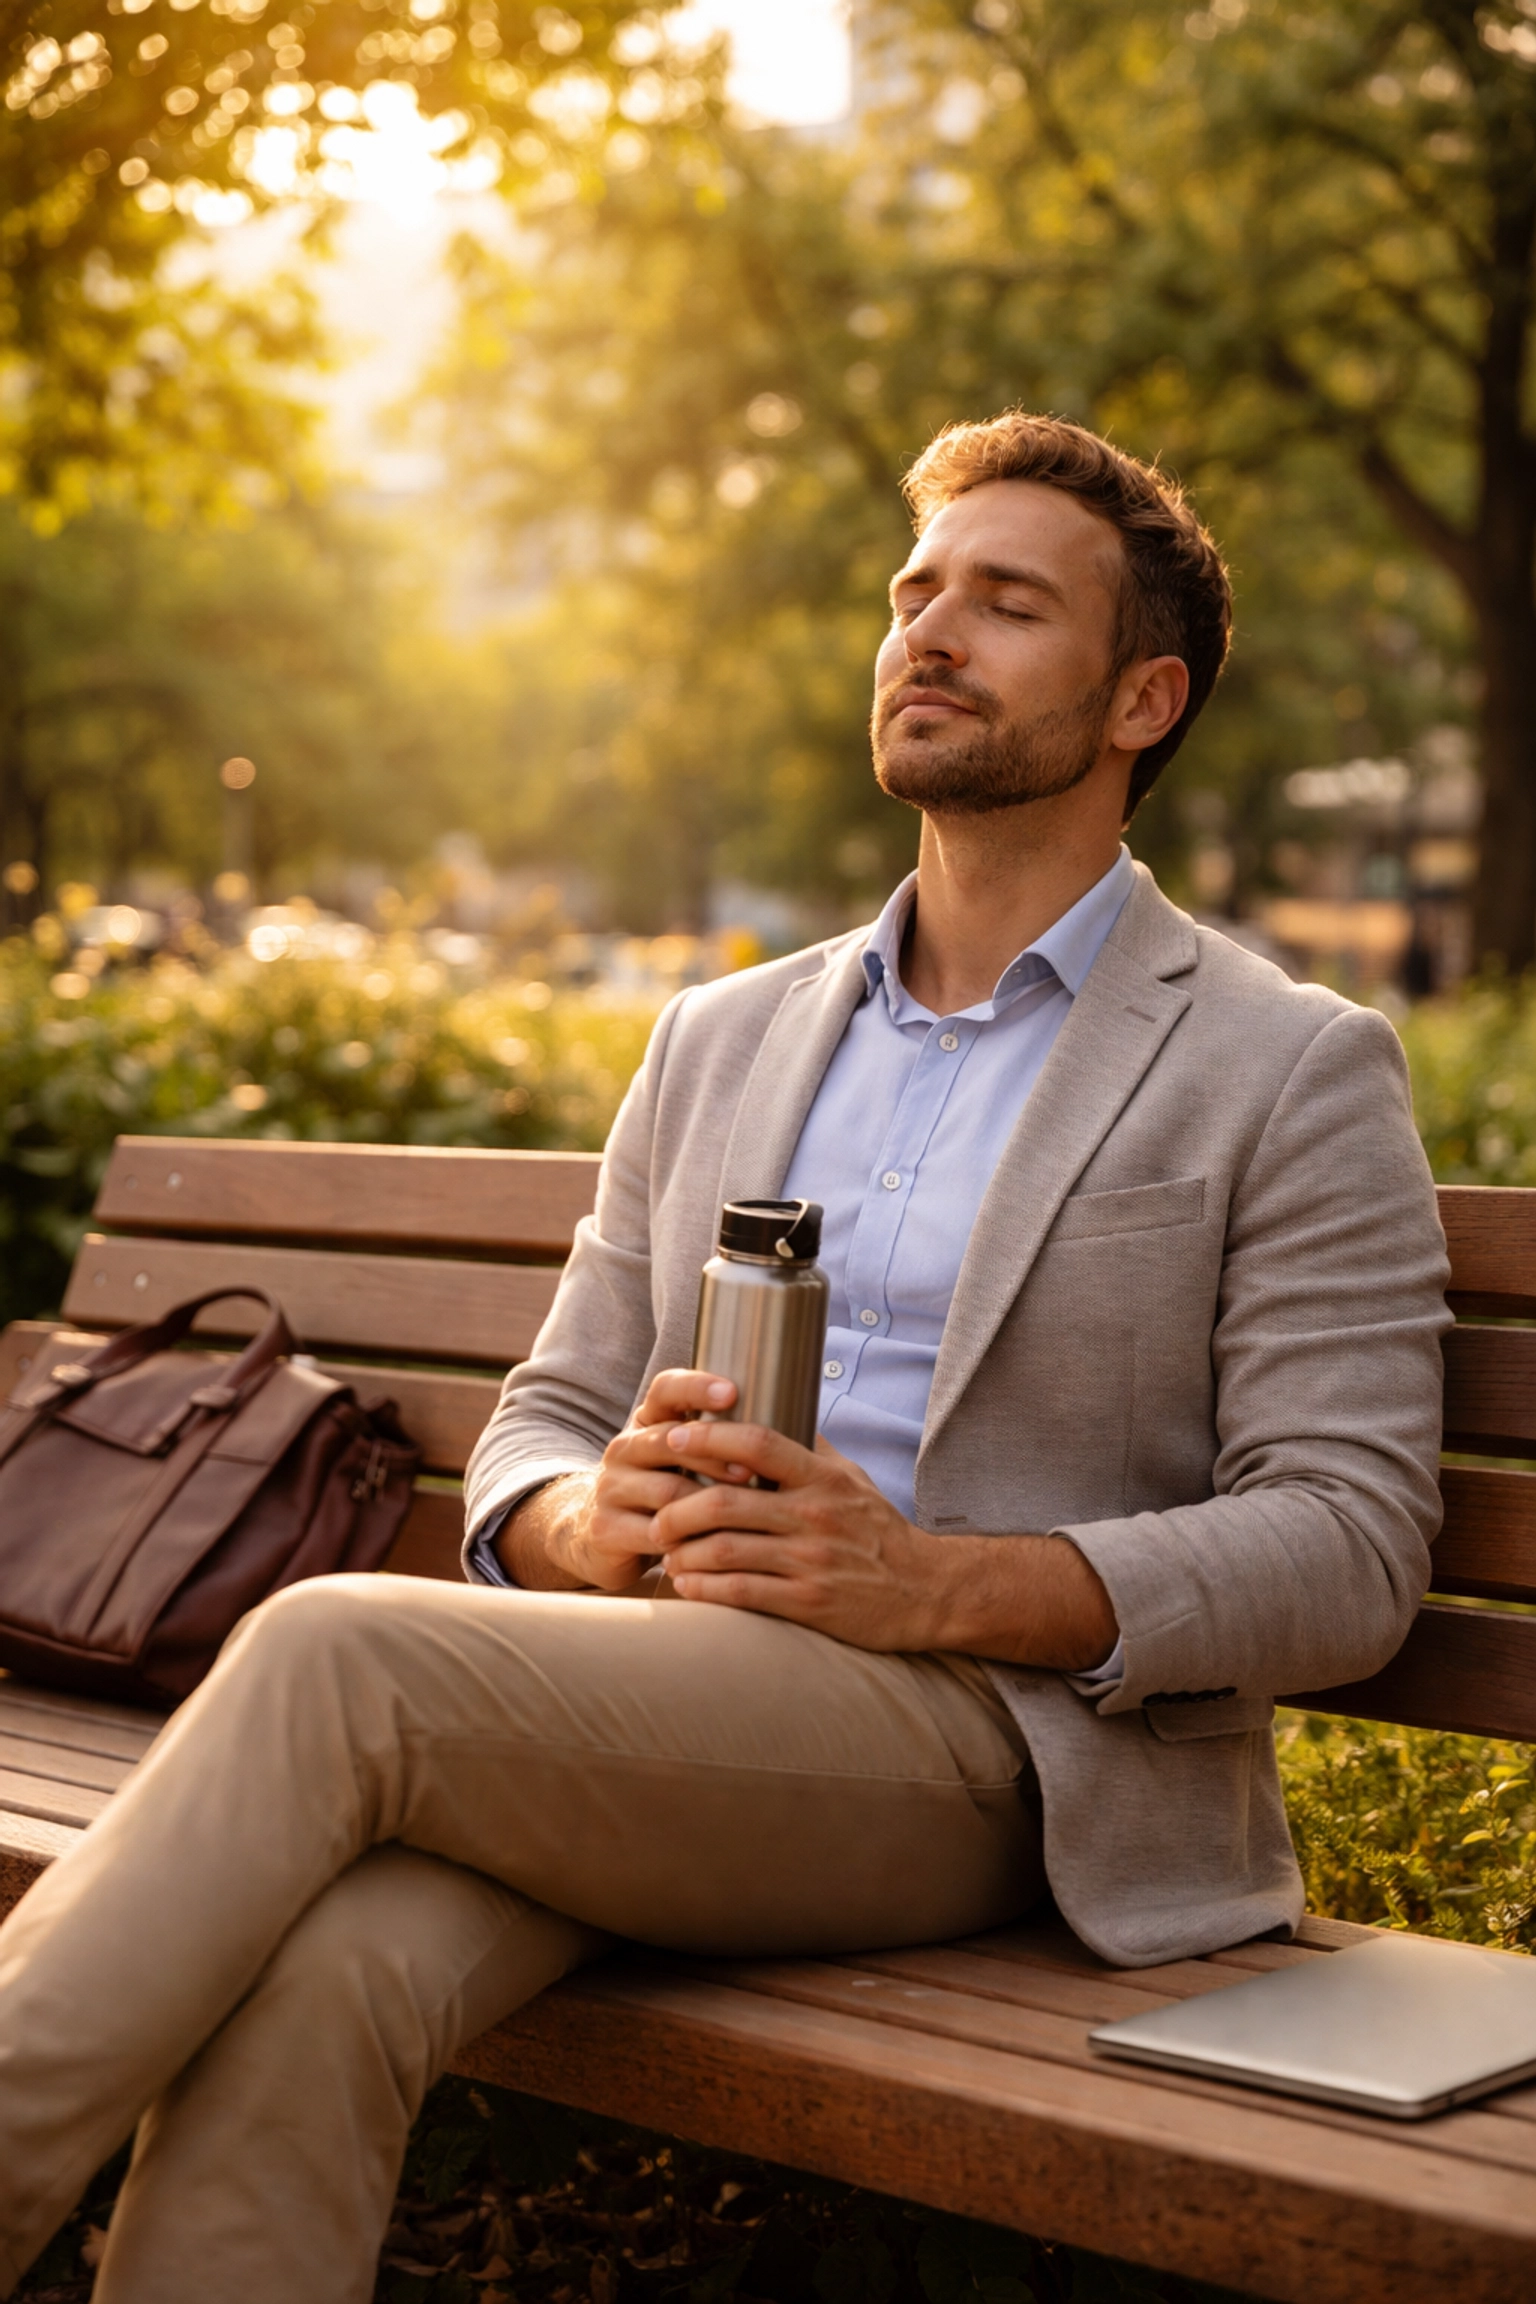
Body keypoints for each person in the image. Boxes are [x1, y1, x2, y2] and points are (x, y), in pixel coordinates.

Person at [0, 413, 1449, 2304]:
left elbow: (1350, 1543)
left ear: (1140, 701)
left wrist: (936, 1582)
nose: (931, 633)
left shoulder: (1285, 1063)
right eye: (916, 593)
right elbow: (546, 1418)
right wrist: (580, 1525)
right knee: (332, 1972)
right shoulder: (721, 1035)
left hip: (1005, 1752)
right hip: (664, 1701)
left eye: (1009, 605)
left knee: (333, 1649)